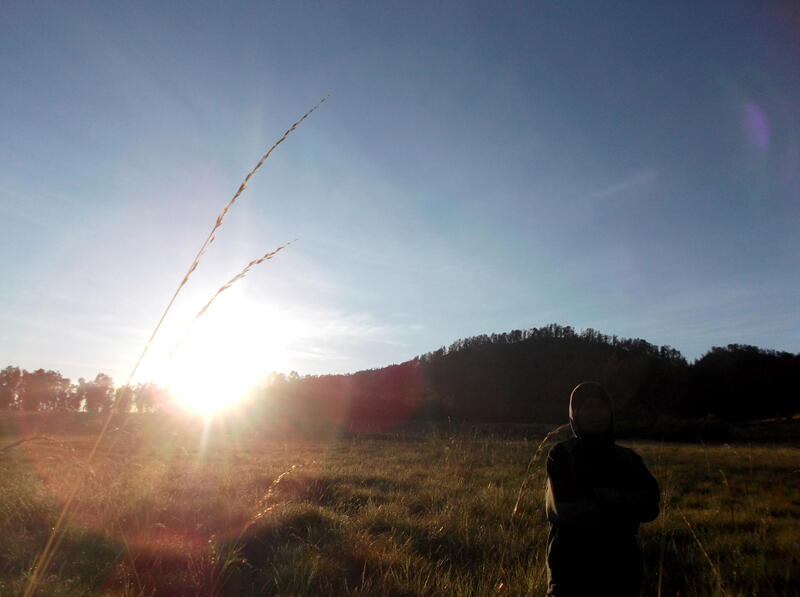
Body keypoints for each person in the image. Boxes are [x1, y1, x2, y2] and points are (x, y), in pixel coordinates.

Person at [544, 381, 660, 596]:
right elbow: (569, 510)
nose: (596, 414)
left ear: (611, 413)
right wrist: (625, 505)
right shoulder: (562, 455)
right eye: (587, 407)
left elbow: (651, 506)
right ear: (575, 414)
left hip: (622, 572)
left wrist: (603, 497)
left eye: (601, 407)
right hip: (571, 571)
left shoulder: (628, 459)